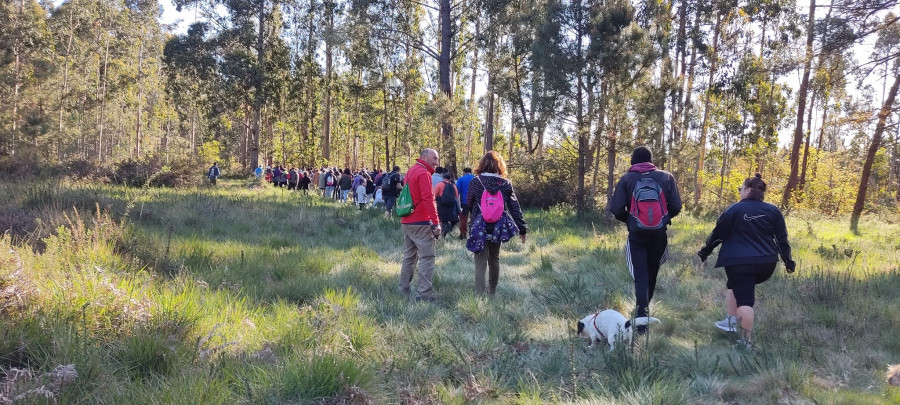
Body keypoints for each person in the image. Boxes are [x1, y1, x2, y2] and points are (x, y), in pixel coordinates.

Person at [697, 174, 796, 349]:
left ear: (748, 190)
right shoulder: (773, 211)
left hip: (739, 263)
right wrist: (788, 262)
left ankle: (745, 343)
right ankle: (731, 321)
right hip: (766, 263)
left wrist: (705, 251)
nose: (740, 192)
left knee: (745, 299)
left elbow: (718, 235)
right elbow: (782, 240)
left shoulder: (734, 210)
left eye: (741, 189)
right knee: (732, 285)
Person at [609, 146, 682, 334]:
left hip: (637, 236)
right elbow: (676, 205)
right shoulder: (666, 177)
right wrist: (663, 219)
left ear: (633, 161)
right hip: (659, 235)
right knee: (652, 273)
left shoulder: (627, 179)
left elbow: (616, 209)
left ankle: (641, 318)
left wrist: (631, 220)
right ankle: (644, 311)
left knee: (641, 276)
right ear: (651, 160)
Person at [465, 151, 527, 296]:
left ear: (482, 164)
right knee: (494, 258)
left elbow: (468, 204)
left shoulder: (475, 181)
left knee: (480, 261)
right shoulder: (505, 184)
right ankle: (492, 292)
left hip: (479, 226)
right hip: (497, 228)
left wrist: (464, 225)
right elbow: (514, 207)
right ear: (500, 166)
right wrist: (522, 229)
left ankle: (480, 294)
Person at [399, 148, 442, 303]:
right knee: (427, 258)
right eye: (435, 158)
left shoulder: (411, 171)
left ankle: (402, 289)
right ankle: (424, 295)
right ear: (424, 157)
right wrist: (436, 222)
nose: (437, 162)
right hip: (420, 223)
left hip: (407, 221)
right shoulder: (423, 173)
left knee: (409, 257)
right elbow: (428, 199)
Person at [434, 171, 461, 238]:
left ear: (443, 177)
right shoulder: (453, 185)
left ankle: (442, 234)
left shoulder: (439, 184)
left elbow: (434, 195)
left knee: (443, 220)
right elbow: (456, 196)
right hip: (451, 206)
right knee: (452, 219)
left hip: (441, 205)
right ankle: (448, 230)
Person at [456, 167, 475, 239]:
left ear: (464, 172)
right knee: (475, 217)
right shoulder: (475, 178)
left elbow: (457, 191)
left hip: (464, 201)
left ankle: (463, 234)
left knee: (463, 218)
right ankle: (474, 233)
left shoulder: (461, 179)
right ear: (471, 171)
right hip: (474, 202)